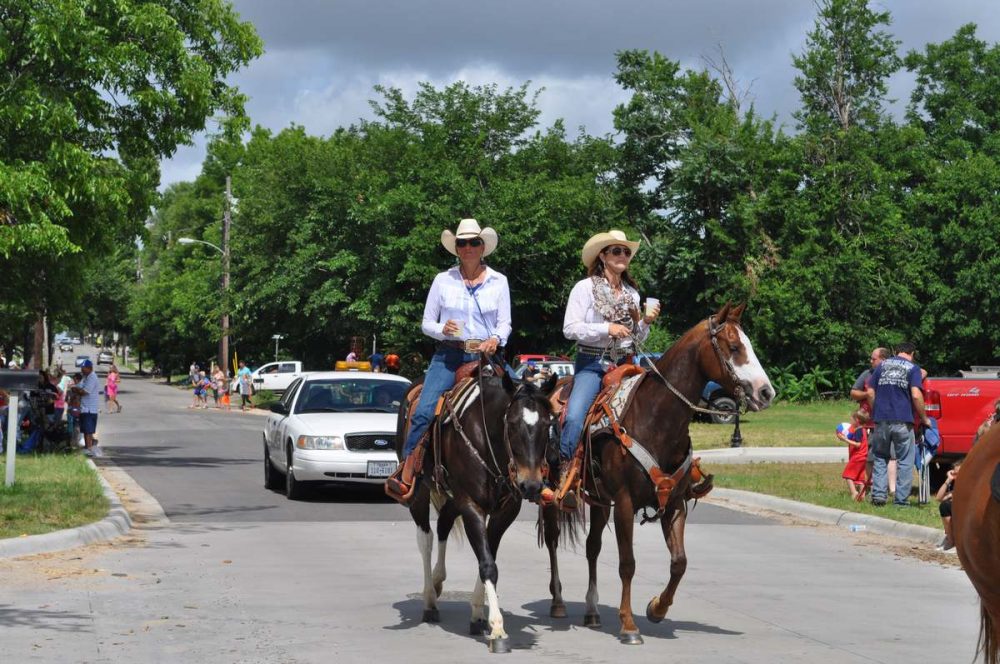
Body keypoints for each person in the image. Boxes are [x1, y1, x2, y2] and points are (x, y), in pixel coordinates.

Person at [385, 218, 511, 501]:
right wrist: (443, 329)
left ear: (482, 247)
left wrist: (496, 339)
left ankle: (539, 472)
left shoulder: (499, 281)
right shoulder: (443, 280)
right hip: (450, 354)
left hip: (486, 355)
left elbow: (505, 323)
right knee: (424, 410)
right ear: (456, 248)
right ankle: (407, 470)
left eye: (473, 242)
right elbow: (427, 323)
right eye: (462, 243)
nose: (468, 247)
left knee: (526, 403)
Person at [554, 229, 660, 510]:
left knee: (656, 408)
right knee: (575, 416)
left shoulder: (633, 295)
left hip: (626, 363)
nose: (623, 256)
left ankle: (663, 473)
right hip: (592, 363)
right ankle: (567, 474)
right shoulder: (584, 288)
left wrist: (646, 323)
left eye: (626, 252)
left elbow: (637, 337)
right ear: (602, 256)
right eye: (616, 251)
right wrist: (606, 328)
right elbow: (570, 329)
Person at [865, 341, 930, 507]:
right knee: (905, 461)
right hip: (902, 421)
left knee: (880, 457)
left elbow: (870, 391)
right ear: (912, 354)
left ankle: (878, 497)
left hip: (881, 420)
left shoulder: (883, 365)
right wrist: (924, 418)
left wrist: (876, 410)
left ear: (895, 351)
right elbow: (916, 395)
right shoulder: (913, 368)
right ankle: (901, 501)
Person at [850, 347, 896, 494]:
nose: (870, 361)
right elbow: (853, 392)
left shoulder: (893, 375)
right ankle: (869, 486)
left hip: (888, 422)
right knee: (869, 456)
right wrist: (867, 394)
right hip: (868, 424)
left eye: (873, 359)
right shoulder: (867, 374)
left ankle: (892, 489)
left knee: (891, 456)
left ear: (883, 360)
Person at [836, 410, 870, 501]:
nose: (850, 422)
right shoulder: (864, 430)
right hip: (864, 456)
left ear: (857, 420)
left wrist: (844, 439)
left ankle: (854, 493)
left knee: (848, 475)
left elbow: (858, 444)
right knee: (860, 478)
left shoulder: (858, 430)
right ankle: (862, 495)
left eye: (852, 419)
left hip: (858, 457)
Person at [76, 360, 103, 457]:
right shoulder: (85, 377)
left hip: (90, 409)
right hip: (84, 408)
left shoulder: (92, 377)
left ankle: (89, 448)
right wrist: (77, 389)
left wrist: (77, 390)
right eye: (81, 368)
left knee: (88, 430)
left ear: (89, 368)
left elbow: (85, 391)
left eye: (83, 368)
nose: (82, 370)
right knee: (85, 430)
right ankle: (88, 447)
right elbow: (77, 387)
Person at [934, 460, 962, 551]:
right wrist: (948, 479)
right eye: (955, 474)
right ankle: (950, 541)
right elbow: (938, 498)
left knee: (948, 505)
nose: (957, 477)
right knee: (944, 506)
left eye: (959, 474)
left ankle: (953, 542)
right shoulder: (955, 485)